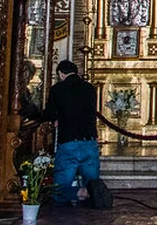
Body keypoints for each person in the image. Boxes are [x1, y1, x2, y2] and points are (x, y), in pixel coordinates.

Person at [41, 60, 100, 206]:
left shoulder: (57, 89)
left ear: (61, 73)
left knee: (58, 190)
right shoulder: (89, 88)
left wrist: (54, 117)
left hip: (68, 141)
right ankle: (88, 194)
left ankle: (78, 193)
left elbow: (49, 113)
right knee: (93, 186)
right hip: (89, 141)